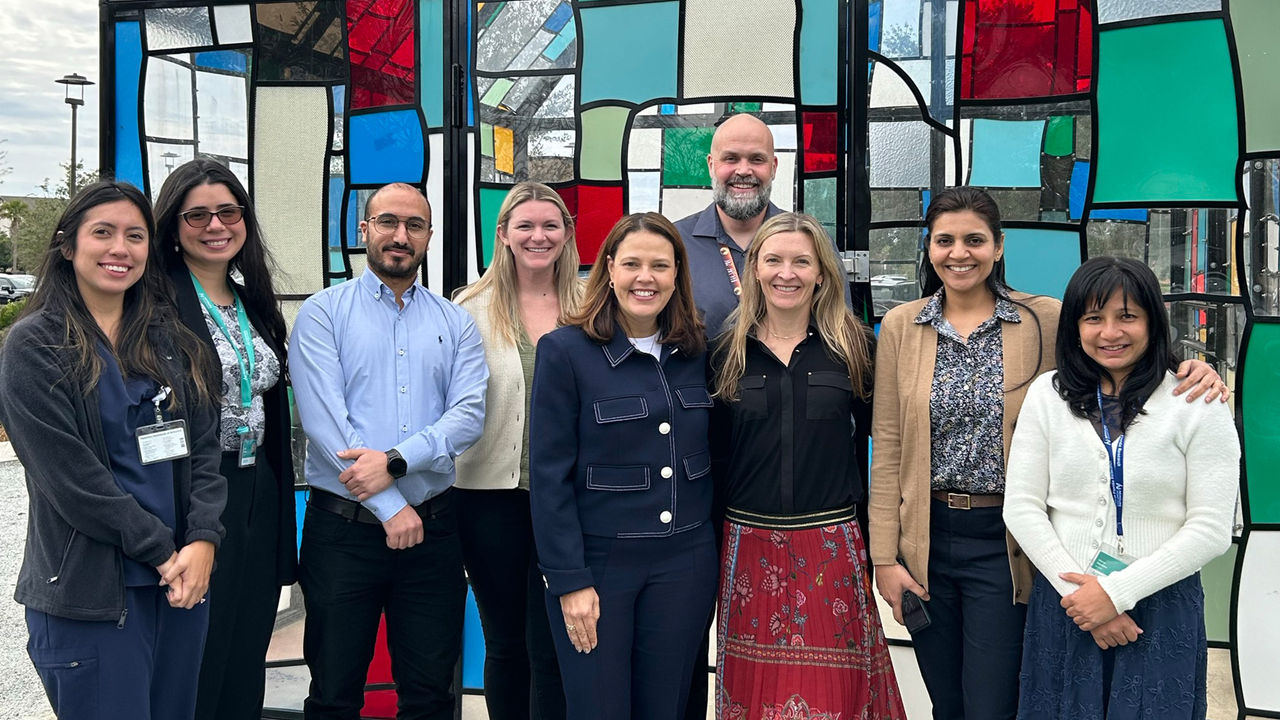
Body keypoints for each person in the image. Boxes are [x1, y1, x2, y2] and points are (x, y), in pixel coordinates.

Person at [867, 186, 1229, 720]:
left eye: (974, 239)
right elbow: (889, 446)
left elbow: (1115, 344)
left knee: (994, 701)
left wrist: (1191, 368)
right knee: (948, 701)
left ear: (999, 245)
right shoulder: (902, 325)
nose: (959, 252)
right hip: (926, 536)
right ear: (928, 247)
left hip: (1007, 540)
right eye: (944, 240)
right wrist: (884, 557)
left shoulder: (1043, 318)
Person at [0, 181, 225, 719]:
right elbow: (71, 480)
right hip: (95, 596)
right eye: (102, 233)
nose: (120, 249)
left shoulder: (170, 340)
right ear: (67, 245)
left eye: (135, 236)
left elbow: (204, 454)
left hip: (178, 590)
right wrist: (162, 552)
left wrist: (203, 540)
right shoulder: (35, 346)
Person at [1003, 257, 1238, 719]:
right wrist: (1083, 597)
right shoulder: (1047, 396)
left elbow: (1211, 528)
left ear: (1152, 320)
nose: (1110, 332)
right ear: (1075, 326)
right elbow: (1022, 507)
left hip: (1160, 605)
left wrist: (1113, 595)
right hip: (1066, 600)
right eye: (1094, 318)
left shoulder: (1197, 403)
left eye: (1127, 316)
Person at [288, 182, 488, 720]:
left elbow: (467, 416)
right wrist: (391, 506)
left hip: (433, 534)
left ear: (427, 236)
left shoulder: (455, 322)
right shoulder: (322, 314)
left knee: (429, 694)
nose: (401, 236)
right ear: (364, 230)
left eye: (415, 225)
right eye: (388, 222)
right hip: (343, 535)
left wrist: (395, 463)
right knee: (333, 691)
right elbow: (327, 426)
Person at [709, 212, 905, 719]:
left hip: (832, 547)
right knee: (754, 700)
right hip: (746, 549)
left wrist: (880, 551)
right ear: (755, 269)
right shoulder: (725, 352)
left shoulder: (855, 348)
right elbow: (713, 458)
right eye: (773, 260)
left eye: (801, 261)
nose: (786, 273)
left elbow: (882, 453)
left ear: (822, 272)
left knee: (833, 702)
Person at [529, 212, 717, 720]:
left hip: (686, 564)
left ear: (677, 273)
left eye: (660, 265)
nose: (645, 278)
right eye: (632, 263)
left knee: (669, 708)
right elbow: (548, 479)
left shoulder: (697, 350)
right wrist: (569, 580)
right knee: (598, 709)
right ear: (608, 269)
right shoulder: (565, 352)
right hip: (599, 568)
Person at [152, 159, 297, 720]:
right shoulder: (153, 303)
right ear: (174, 225)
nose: (216, 225)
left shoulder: (253, 301)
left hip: (256, 489)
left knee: (245, 645)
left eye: (228, 211)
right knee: (198, 653)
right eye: (198, 215)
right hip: (192, 495)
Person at [452, 182, 579, 720]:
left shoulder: (593, 303)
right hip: (488, 501)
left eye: (550, 225)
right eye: (524, 225)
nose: (538, 236)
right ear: (502, 234)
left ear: (567, 233)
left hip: (570, 499)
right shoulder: (467, 309)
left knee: (555, 643)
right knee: (506, 642)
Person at [674, 113, 852, 338]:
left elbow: (840, 330)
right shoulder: (675, 243)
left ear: (774, 167)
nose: (744, 171)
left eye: (757, 159)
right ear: (711, 165)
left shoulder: (812, 241)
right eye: (731, 158)